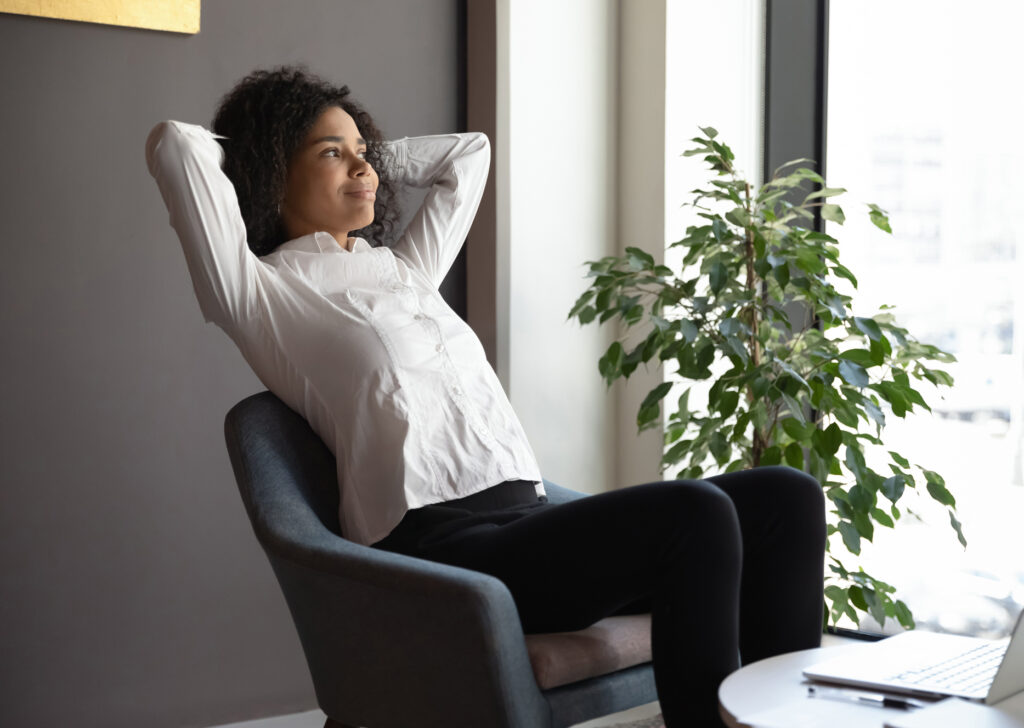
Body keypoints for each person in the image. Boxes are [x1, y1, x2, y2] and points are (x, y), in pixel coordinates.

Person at [146, 65, 826, 727]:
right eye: (333, 153)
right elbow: (175, 145)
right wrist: (249, 154)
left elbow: (469, 155)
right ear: (271, 173)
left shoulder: (402, 270)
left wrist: (363, 148)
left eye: (365, 153)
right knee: (695, 511)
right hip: (448, 553)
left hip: (528, 525)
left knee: (787, 496)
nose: (365, 169)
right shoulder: (261, 293)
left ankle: (786, 721)